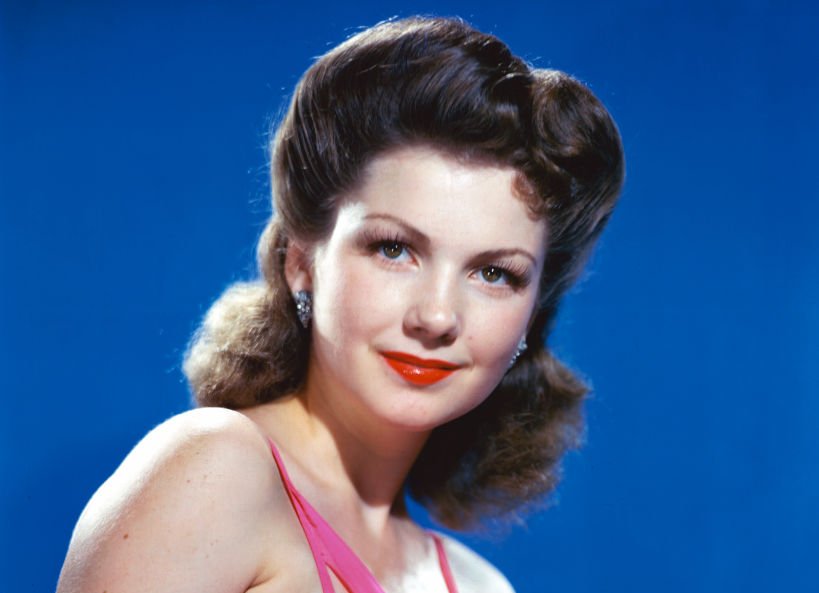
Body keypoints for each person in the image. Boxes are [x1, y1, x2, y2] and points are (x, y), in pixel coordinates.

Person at [56, 16, 624, 593]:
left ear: (534, 312)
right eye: (394, 248)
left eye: (494, 273)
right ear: (301, 262)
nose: (436, 317)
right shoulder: (214, 474)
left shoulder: (480, 585)